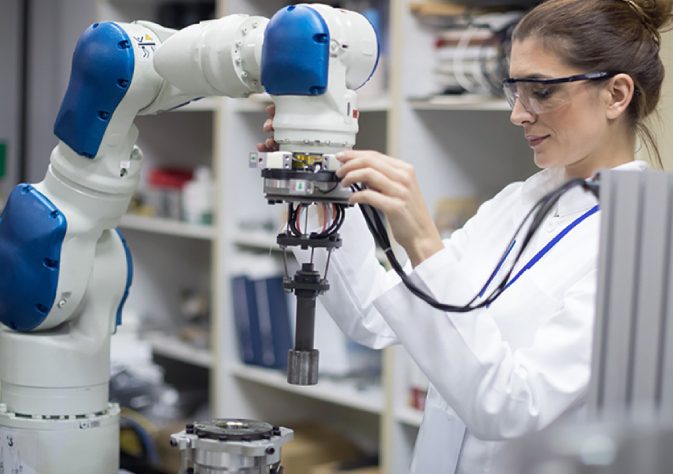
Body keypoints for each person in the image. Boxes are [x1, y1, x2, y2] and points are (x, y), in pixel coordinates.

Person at [258, 0, 672, 472]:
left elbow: (513, 405)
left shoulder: (648, 241)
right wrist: (321, 184)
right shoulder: (518, 202)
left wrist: (423, 241)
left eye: (541, 91)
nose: (519, 114)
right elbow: (374, 318)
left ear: (616, 95)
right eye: (514, 90)